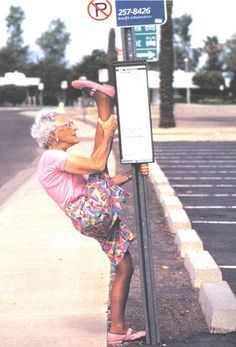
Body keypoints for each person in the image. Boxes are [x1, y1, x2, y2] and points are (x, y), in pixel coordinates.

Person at [31, 79, 148, 344]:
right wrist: (108, 132)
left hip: (90, 214)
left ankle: (117, 331)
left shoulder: (58, 160)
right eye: (67, 125)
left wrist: (132, 175)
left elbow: (100, 185)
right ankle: (102, 101)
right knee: (99, 165)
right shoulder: (52, 157)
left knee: (125, 267)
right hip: (89, 212)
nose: (72, 127)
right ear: (54, 136)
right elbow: (96, 164)